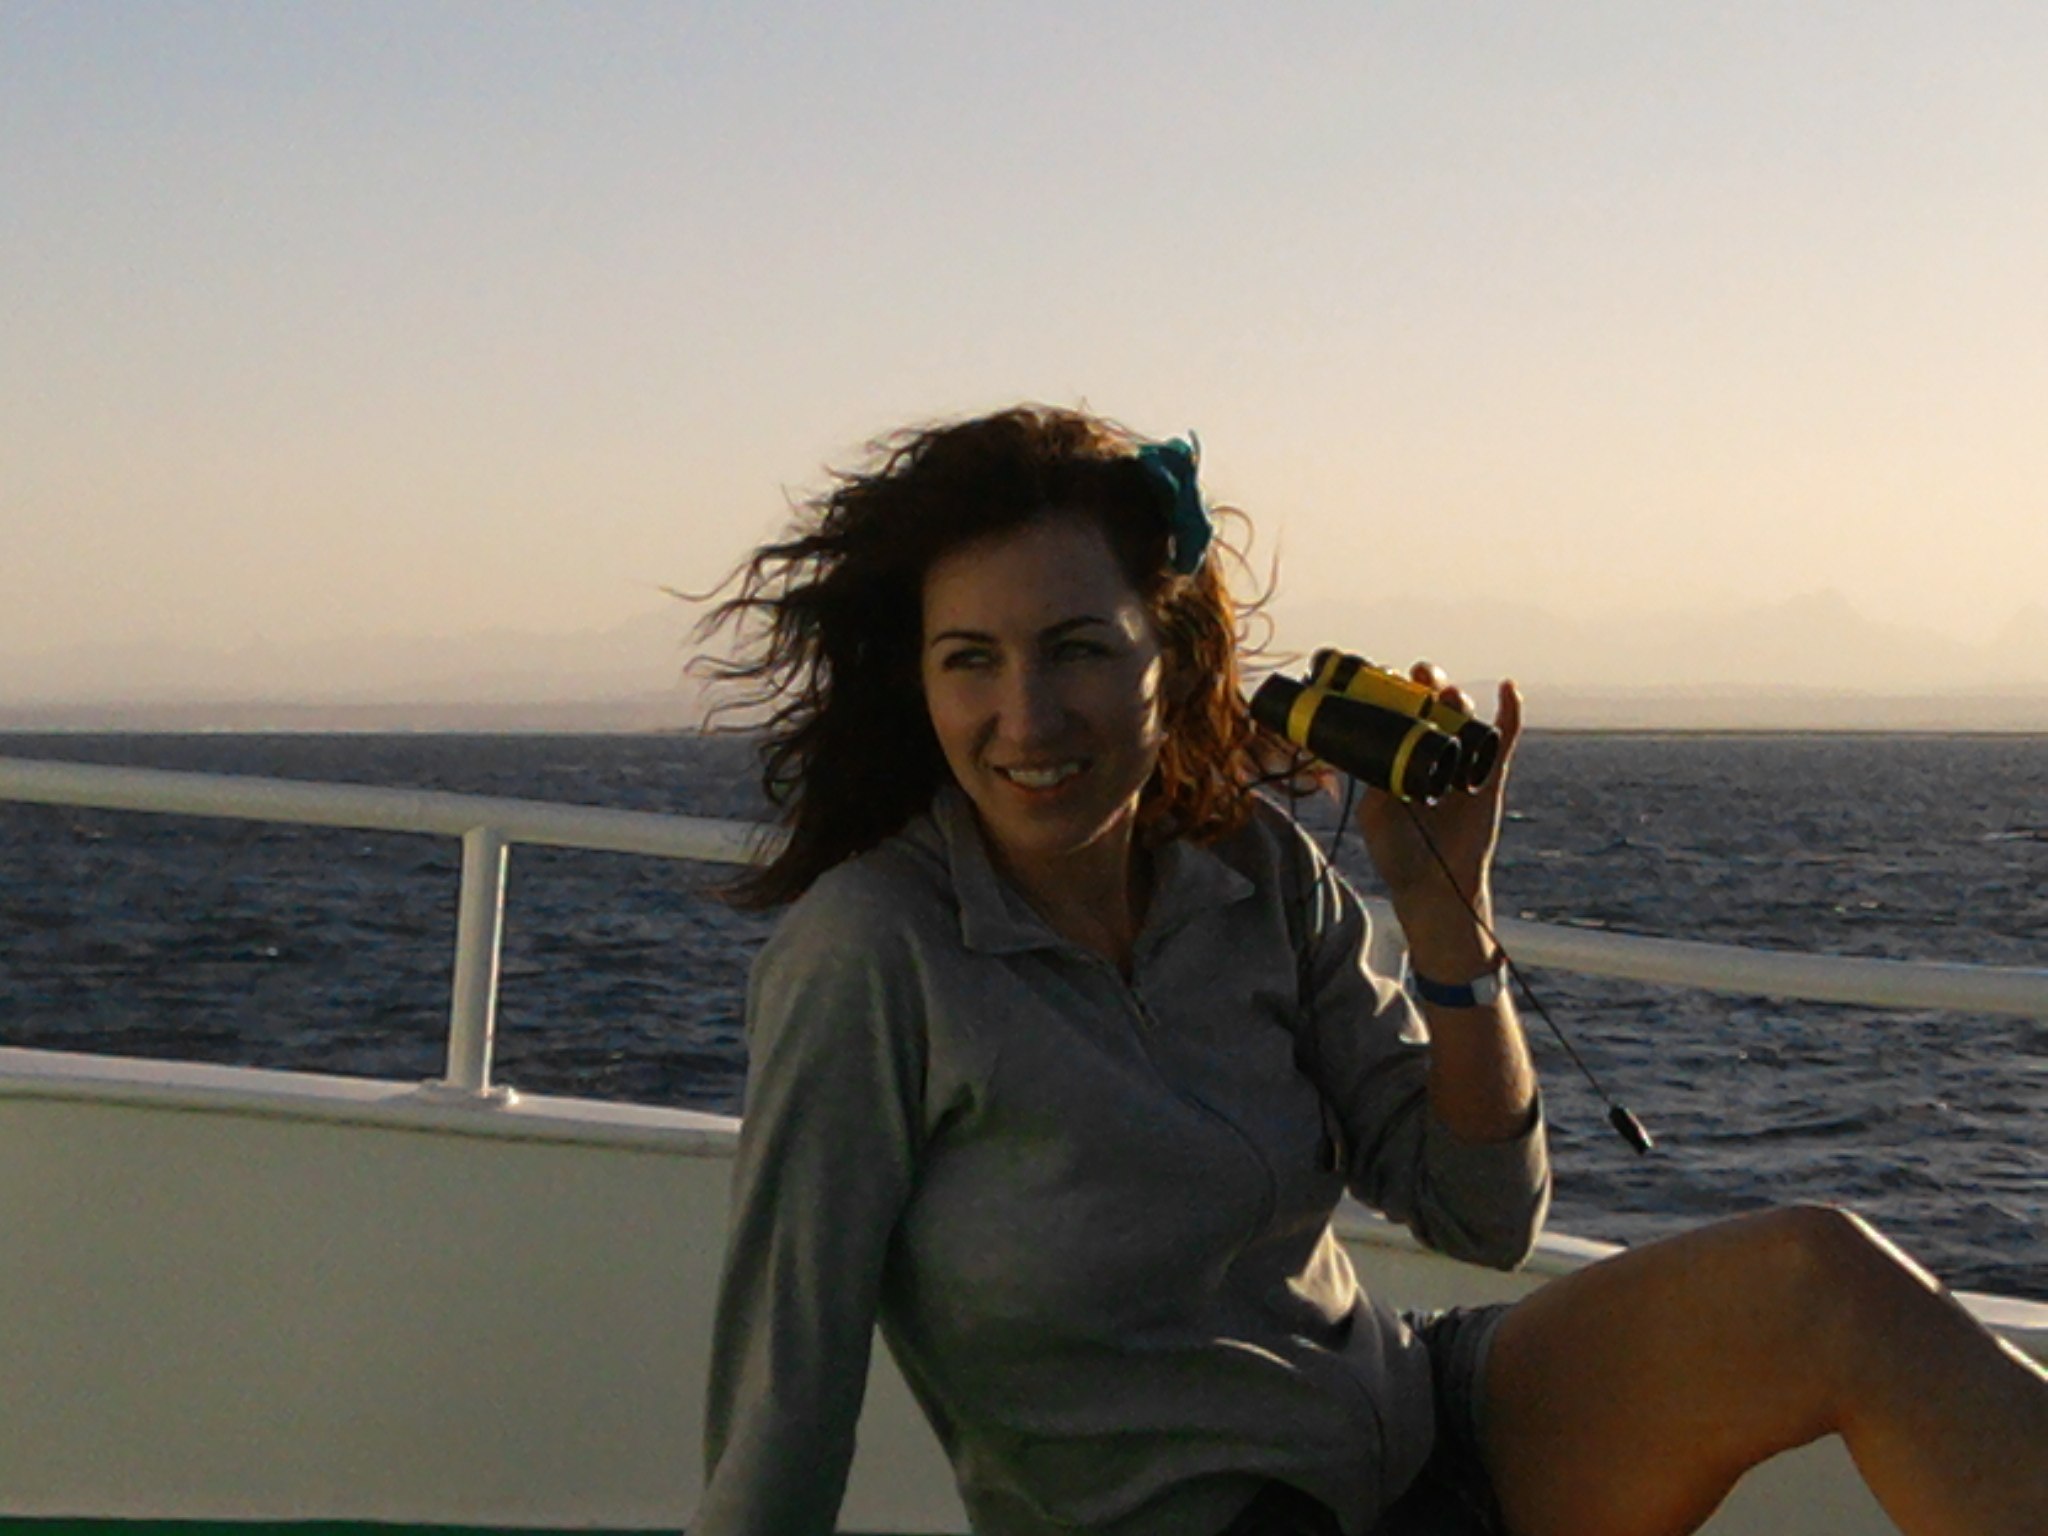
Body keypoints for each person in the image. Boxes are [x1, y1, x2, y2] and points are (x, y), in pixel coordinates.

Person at [691, 405, 2047, 1536]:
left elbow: (1484, 1215)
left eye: (1079, 649)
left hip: (1422, 1423)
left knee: (1822, 1277)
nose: (1026, 717)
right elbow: (784, 1397)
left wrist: (1446, 915)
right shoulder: (872, 950)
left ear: (1174, 654)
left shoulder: (1252, 870)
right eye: (970, 662)